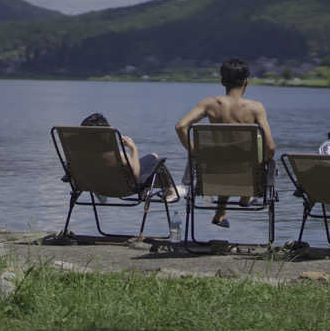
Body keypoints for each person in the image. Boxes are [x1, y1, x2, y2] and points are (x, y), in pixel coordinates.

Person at [175, 59, 276, 228]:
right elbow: (271, 147)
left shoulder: (209, 104)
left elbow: (181, 126)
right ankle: (247, 195)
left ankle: (221, 213)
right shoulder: (255, 108)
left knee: (225, 156)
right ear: (246, 81)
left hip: (214, 172)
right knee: (252, 151)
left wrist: (194, 151)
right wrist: (262, 162)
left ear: (222, 81)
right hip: (247, 174)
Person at [80, 113, 181, 202]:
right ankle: (171, 190)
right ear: (106, 135)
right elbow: (135, 175)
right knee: (154, 158)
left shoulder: (82, 157)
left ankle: (167, 189)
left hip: (96, 185)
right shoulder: (120, 157)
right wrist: (133, 148)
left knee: (151, 158)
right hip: (125, 188)